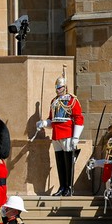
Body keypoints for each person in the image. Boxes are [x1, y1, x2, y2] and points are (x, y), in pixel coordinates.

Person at [35, 66, 83, 196]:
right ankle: (62, 187)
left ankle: (68, 187)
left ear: (65, 87)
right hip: (56, 134)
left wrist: (76, 137)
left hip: (67, 133)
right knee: (60, 161)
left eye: (60, 88)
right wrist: (44, 123)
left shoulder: (72, 100)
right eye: (56, 88)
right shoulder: (54, 101)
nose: (58, 90)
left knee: (68, 162)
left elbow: (78, 118)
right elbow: (53, 119)